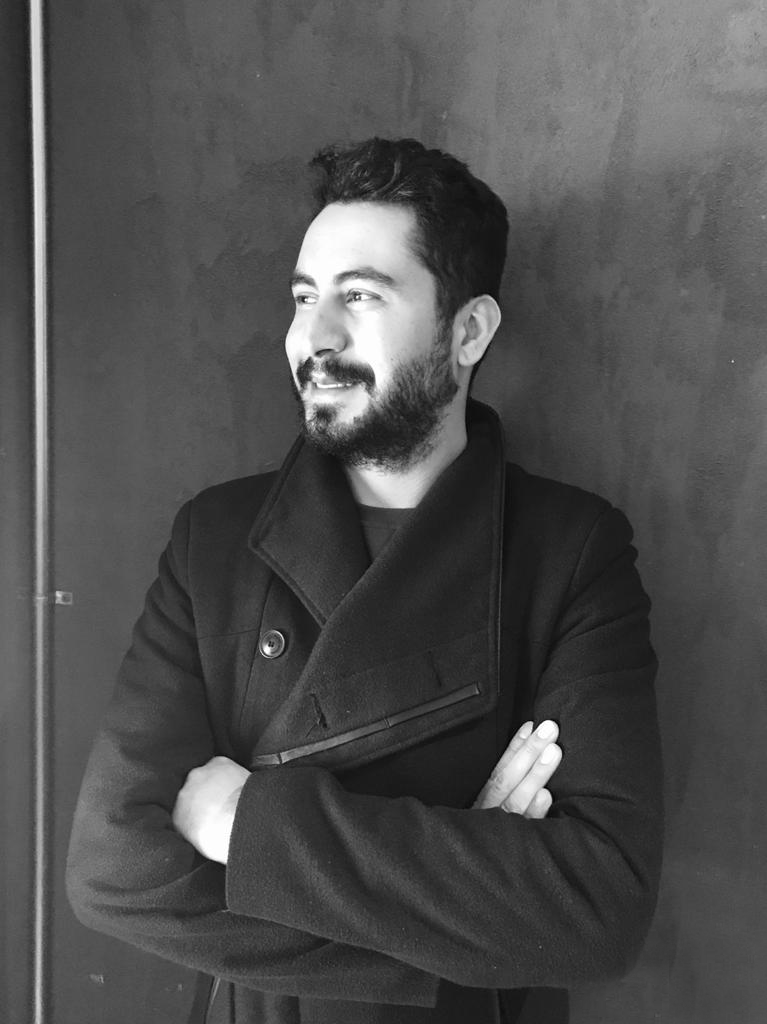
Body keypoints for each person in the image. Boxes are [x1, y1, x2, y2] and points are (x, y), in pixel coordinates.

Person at [66, 137, 663, 1024]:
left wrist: (246, 825)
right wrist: (464, 913)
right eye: (304, 297)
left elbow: (596, 910)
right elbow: (114, 871)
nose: (314, 337)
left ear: (468, 331)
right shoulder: (214, 539)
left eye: (360, 295)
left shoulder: (571, 550)